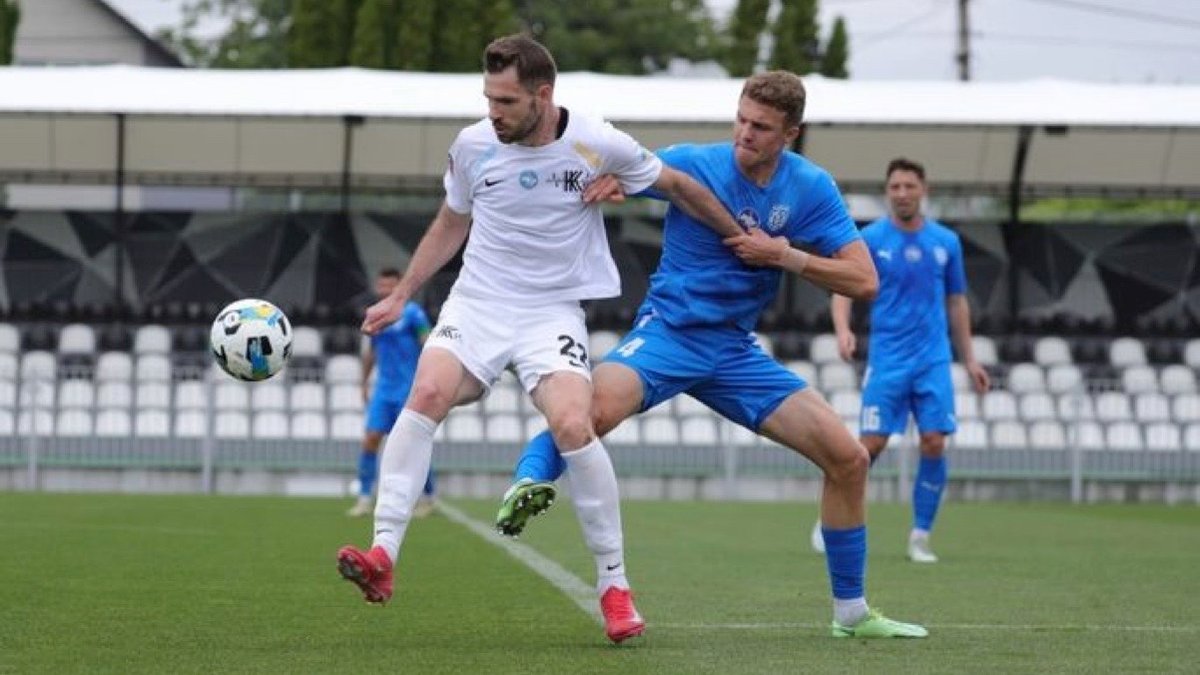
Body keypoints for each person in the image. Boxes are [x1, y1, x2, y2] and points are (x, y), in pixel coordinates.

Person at [334, 34, 746, 645]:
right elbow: (450, 221)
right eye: (488, 98)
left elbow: (680, 187)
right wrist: (402, 295)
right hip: (477, 303)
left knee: (574, 425)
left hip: (551, 312)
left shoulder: (597, 142)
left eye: (505, 101)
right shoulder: (473, 145)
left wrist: (741, 240)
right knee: (425, 394)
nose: (493, 112)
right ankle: (383, 554)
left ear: (542, 95)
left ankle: (615, 587)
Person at [497, 71, 928, 639]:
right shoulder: (693, 163)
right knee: (590, 413)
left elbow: (864, 280)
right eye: (742, 119)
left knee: (849, 459)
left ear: (790, 134)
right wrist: (605, 178)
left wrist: (784, 256)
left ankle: (851, 613)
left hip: (735, 352)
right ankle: (527, 484)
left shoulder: (810, 188)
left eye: (762, 127)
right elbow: (612, 163)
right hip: (669, 334)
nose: (745, 133)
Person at [811, 157, 990, 563]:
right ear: (887, 192)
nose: (902, 193)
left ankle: (920, 536)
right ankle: (830, 517)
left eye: (909, 186)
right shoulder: (871, 238)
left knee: (934, 441)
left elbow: (957, 301)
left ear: (924, 190)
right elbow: (843, 286)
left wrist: (970, 359)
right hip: (888, 360)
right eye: (895, 187)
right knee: (869, 446)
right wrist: (843, 328)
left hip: (933, 360)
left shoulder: (946, 242)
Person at [346, 268, 434, 518]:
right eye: (381, 285)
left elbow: (428, 343)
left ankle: (428, 497)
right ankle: (364, 497)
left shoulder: (413, 313)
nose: (385, 290)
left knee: (412, 446)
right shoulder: (376, 315)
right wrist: (364, 383)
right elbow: (371, 352)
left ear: (399, 286)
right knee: (370, 439)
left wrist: (430, 377)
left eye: (390, 285)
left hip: (409, 389)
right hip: (383, 390)